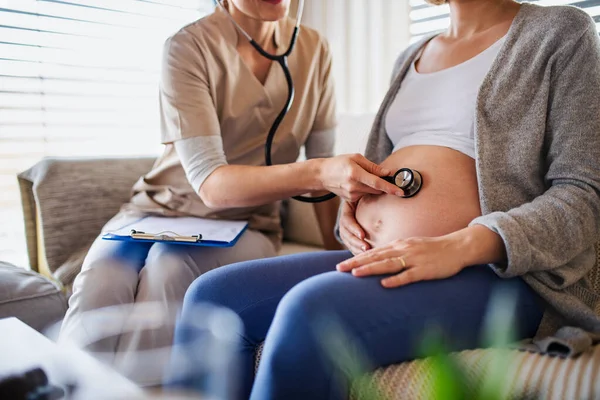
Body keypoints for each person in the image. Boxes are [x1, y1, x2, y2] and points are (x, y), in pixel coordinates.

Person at [172, 0, 600, 399]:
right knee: (212, 296)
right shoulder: (412, 56)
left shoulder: (559, 32)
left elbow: (583, 196)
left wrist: (459, 245)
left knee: (310, 312)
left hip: (500, 274)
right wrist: (351, 210)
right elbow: (372, 168)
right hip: (388, 256)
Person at [58, 0, 401, 385]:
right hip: (158, 208)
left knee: (169, 267)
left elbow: (324, 168)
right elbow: (213, 184)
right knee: (105, 275)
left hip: (247, 223)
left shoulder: (314, 49)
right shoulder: (188, 46)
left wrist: (332, 256)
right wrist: (320, 172)